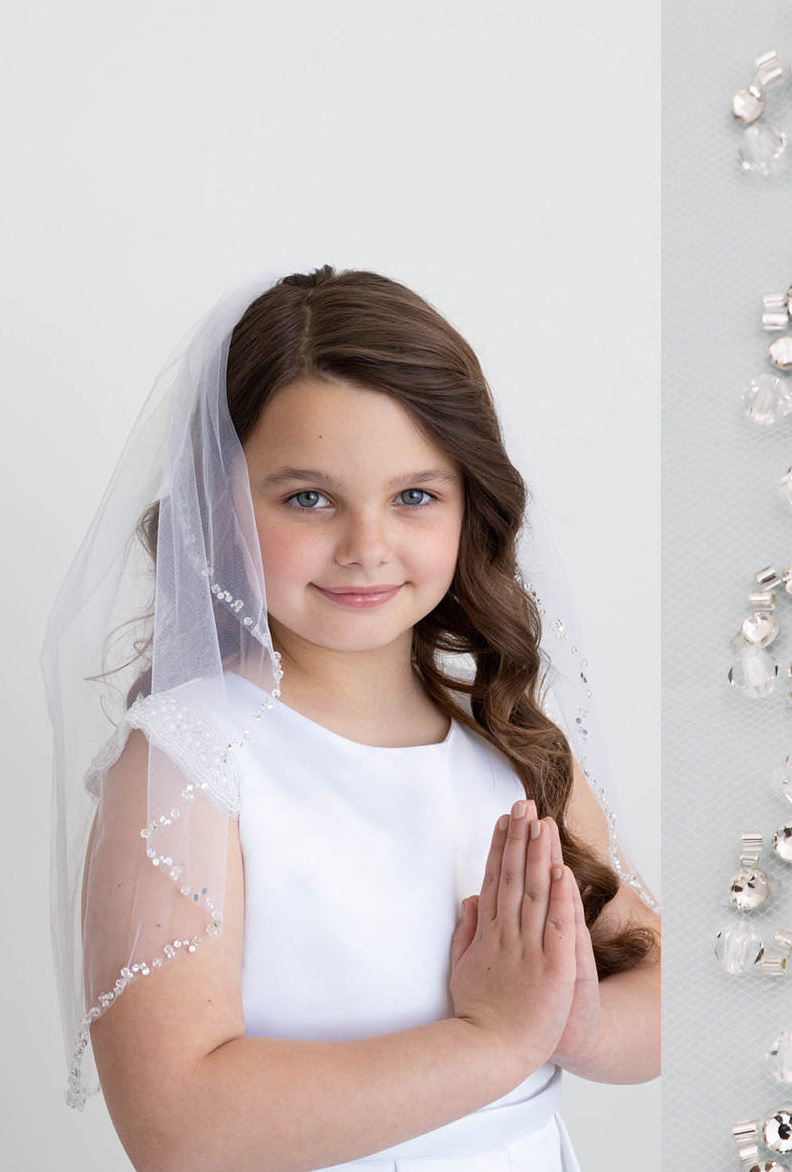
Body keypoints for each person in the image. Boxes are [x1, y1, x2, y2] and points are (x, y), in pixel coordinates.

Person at [40, 265, 660, 1172]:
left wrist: (577, 1018)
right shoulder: (191, 763)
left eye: (414, 496)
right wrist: (491, 1040)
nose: (367, 546)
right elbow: (177, 1129)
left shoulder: (512, 743)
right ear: (222, 507)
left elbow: (667, 992)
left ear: (467, 503)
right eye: (308, 497)